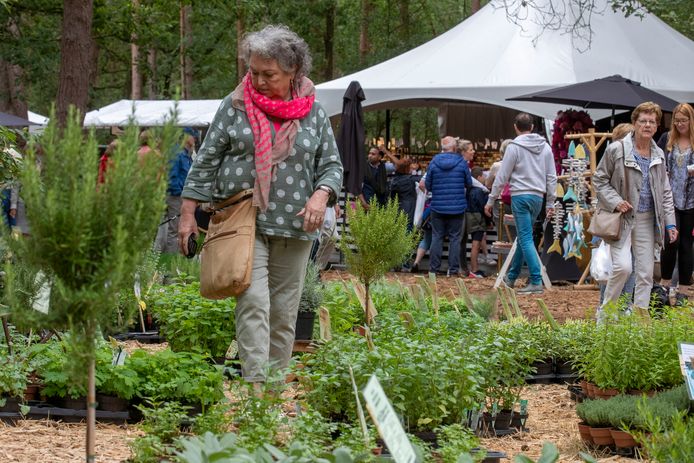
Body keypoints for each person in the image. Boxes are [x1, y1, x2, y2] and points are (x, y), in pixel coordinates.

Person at [177, 25, 343, 384]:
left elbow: (331, 165)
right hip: (243, 220)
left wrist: (321, 193)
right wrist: (188, 214)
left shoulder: (313, 112)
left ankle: (271, 398)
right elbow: (205, 162)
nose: (258, 80)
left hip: (297, 226)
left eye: (269, 74)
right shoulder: (234, 105)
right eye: (253, 71)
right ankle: (255, 392)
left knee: (283, 314)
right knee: (253, 302)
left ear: (293, 72)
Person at [593, 102, 677, 317]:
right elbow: (599, 180)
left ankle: (640, 321)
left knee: (646, 274)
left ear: (657, 126)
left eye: (652, 122)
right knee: (623, 268)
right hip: (622, 218)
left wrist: (670, 223)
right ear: (635, 123)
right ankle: (606, 313)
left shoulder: (658, 153)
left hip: (648, 219)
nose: (647, 125)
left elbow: (665, 192)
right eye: (643, 121)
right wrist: (615, 201)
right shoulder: (616, 150)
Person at [484, 113, 556, 294]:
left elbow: (502, 176)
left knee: (524, 238)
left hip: (520, 196)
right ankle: (511, 277)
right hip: (538, 197)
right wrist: (550, 202)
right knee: (525, 238)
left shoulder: (514, 147)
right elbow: (551, 176)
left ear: (516, 127)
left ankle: (536, 280)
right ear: (532, 127)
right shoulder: (545, 147)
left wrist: (491, 198)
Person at [657, 103, 694, 306]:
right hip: (670, 199)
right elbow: (657, 162)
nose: (680, 124)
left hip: (691, 200)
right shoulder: (666, 139)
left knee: (687, 244)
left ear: (691, 121)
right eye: (677, 120)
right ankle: (664, 286)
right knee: (671, 241)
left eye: (684, 120)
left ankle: (684, 291)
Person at [425, 136, 472, 276]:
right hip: (457, 207)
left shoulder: (434, 162)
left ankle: (433, 269)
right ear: (454, 148)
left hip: (437, 206)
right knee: (455, 238)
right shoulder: (462, 163)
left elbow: (427, 185)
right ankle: (453, 270)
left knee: (437, 237)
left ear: (443, 148)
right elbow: (469, 183)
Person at [160, 132, 196, 254]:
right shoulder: (177, 152)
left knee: (179, 227)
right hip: (176, 196)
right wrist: (180, 193)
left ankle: (178, 256)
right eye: (193, 135)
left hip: (182, 195)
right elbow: (172, 177)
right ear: (186, 137)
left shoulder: (186, 153)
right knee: (175, 229)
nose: (195, 138)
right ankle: (171, 259)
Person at [467, 167, 489, 278]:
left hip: (470, 216)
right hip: (477, 218)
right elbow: (483, 206)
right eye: (483, 176)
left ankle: (474, 269)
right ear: (479, 177)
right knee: (476, 244)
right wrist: (488, 219)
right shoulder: (479, 191)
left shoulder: (470, 189)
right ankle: (474, 270)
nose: (485, 178)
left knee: (476, 243)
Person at [389, 156, 417, 232]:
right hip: (409, 207)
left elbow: (391, 197)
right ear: (407, 168)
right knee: (408, 229)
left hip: (398, 207)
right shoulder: (411, 180)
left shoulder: (394, 180)